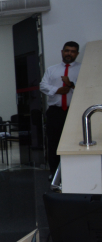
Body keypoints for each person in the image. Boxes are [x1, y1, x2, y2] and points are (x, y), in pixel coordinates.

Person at [39, 41, 81, 176]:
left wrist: (71, 85)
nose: (69, 53)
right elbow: (43, 86)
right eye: (67, 51)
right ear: (62, 52)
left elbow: (86, 88)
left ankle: (74, 172)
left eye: (72, 51)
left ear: (77, 54)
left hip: (74, 112)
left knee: (74, 142)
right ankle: (54, 173)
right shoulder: (52, 69)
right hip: (55, 112)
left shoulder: (82, 69)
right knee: (54, 143)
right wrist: (57, 90)